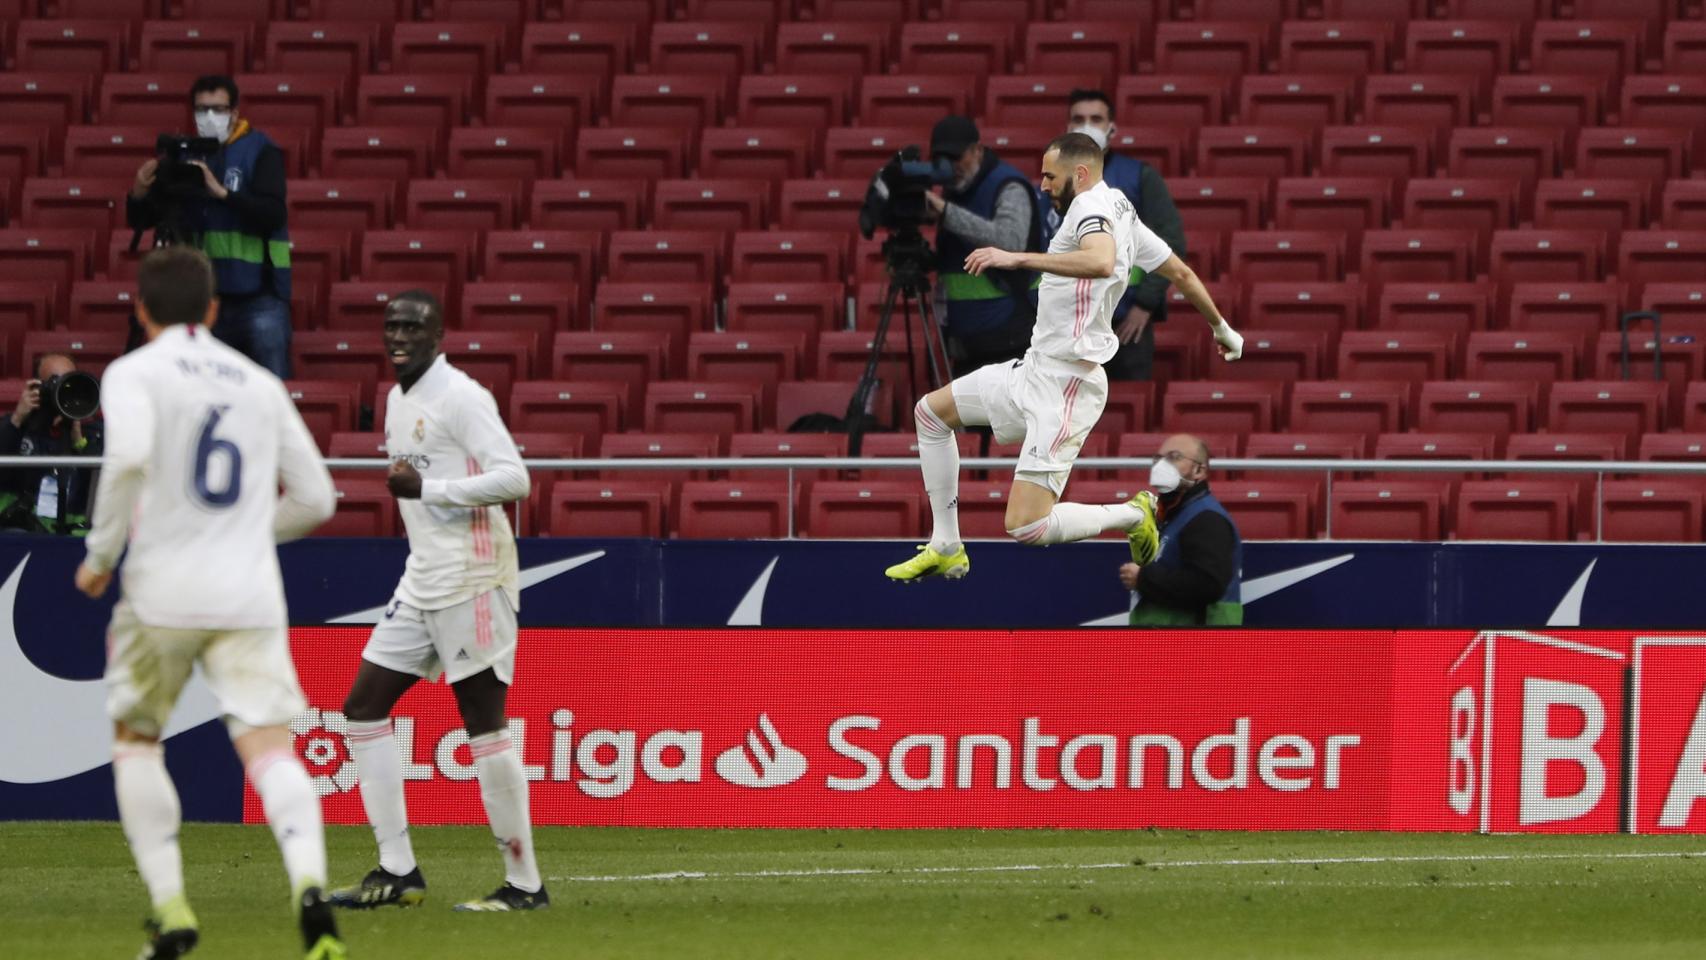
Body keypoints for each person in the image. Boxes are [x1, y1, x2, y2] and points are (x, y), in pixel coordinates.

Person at [73, 248, 343, 960]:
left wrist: (101, 558)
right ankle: (311, 888)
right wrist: (249, 533)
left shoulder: (133, 372)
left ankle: (173, 914)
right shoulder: (257, 380)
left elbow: (127, 459)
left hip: (161, 590)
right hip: (247, 593)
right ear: (214, 310)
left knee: (137, 742)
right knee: (270, 749)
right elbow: (318, 498)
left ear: (140, 310)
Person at [886, 133, 1243, 582]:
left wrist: (1015, 258)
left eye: (1050, 176)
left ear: (1080, 173)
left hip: (1067, 387)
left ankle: (1134, 515)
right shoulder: (1120, 209)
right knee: (931, 414)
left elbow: (1098, 261)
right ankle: (947, 545)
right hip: (1035, 369)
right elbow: (1182, 273)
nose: (1043, 185)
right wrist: (1222, 328)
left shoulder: (1090, 210)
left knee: (1026, 526)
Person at [329, 290, 544, 913]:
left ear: (438, 335)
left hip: (475, 578)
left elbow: (515, 478)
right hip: (422, 577)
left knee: (484, 721)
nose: (399, 335)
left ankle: (525, 885)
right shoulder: (397, 400)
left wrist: (432, 488)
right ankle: (398, 871)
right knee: (363, 706)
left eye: (413, 327)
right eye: (391, 325)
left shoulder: (463, 397)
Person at [127, 74, 294, 379]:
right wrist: (139, 193)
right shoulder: (185, 156)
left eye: (218, 109)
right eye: (202, 110)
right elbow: (145, 220)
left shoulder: (261, 150)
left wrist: (223, 194)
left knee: (272, 388)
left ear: (234, 112)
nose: (209, 117)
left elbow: (273, 214)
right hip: (203, 299)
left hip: (259, 296)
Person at [1062, 88, 1188, 382]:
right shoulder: (1054, 180)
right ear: (1067, 128)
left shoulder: (1139, 177)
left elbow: (1172, 242)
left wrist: (1145, 305)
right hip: (1069, 326)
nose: (1087, 126)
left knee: (1126, 411)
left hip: (1126, 324)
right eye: (1079, 119)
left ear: (1111, 128)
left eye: (1096, 119)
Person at [927, 114, 1048, 375]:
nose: (950, 166)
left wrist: (947, 213)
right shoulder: (954, 190)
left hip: (1009, 339)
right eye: (942, 159)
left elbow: (1010, 243)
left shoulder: (1008, 185)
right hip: (966, 343)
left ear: (977, 150)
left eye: (956, 157)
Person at [1119, 434, 1244, 625]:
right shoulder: (1174, 513)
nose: (1161, 465)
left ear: (1199, 470)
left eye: (1174, 457)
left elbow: (1207, 585)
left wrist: (1144, 579)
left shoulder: (1206, 519)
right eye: (1157, 459)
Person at [0, 353, 102, 534]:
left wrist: (78, 440)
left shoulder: (91, 432)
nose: (62, 389)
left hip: (75, 533)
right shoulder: (15, 426)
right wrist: (17, 419)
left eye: (68, 381)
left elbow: (102, 483)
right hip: (22, 528)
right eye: (54, 382)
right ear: (37, 386)